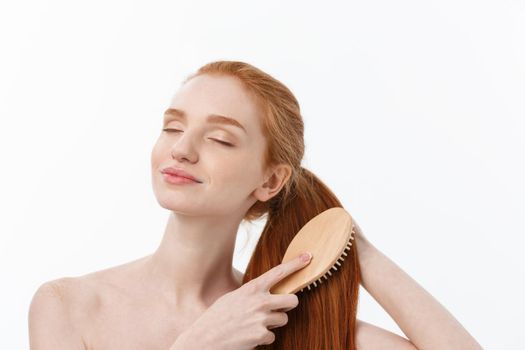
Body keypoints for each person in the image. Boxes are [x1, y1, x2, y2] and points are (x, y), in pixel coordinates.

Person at [28, 60, 483, 350]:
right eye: (171, 127)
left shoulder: (288, 324)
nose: (182, 149)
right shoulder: (69, 306)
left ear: (270, 180)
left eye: (220, 138)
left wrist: (354, 245)